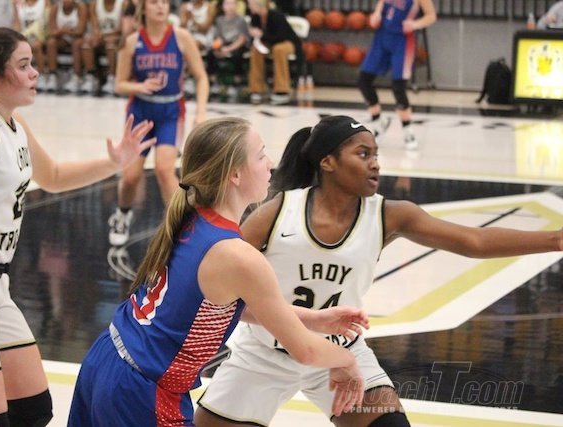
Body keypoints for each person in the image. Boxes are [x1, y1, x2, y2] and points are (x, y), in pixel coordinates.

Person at [194, 115, 563, 427]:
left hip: (340, 353)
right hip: (264, 355)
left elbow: (473, 241)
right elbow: (221, 280)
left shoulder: (389, 215)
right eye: (363, 154)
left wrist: (554, 240)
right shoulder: (278, 212)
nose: (375, 164)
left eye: (375, 155)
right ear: (328, 162)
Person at [68, 116, 371, 426]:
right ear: (234, 174)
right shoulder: (237, 256)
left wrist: (314, 318)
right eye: (261, 155)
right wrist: (347, 360)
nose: (270, 164)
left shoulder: (192, 216)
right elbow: (305, 350)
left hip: (107, 359)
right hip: (141, 390)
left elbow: (218, 307)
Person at [0, 27, 157, 426]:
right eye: (24, 65)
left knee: (33, 410)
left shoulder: (12, 122)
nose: (35, 73)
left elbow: (54, 176)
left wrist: (115, 162)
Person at [107, 0, 209, 246]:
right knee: (130, 177)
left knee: (165, 170)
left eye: (164, 2)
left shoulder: (181, 37)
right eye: (154, 2)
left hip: (171, 111)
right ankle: (122, 213)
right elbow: (119, 84)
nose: (161, 6)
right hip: (141, 111)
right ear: (144, 8)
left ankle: (179, 226)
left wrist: (201, 112)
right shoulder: (132, 41)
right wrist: (139, 86)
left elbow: (201, 77)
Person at [358, 0, 436, 150]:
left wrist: (415, 24)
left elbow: (431, 15)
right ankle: (379, 122)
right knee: (363, 81)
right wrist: (376, 15)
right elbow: (381, 4)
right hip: (382, 36)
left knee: (398, 87)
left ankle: (408, 130)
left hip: (402, 40)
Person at [246, 0, 302, 106]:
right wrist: (255, 36)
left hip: (287, 42)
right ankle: (257, 89)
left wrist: (262, 35)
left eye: (250, 4)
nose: (249, 7)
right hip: (269, 42)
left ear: (258, 5)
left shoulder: (276, 16)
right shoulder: (255, 17)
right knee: (256, 49)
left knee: (278, 50)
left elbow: (280, 36)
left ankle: (282, 89)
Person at [206, 0, 248, 97]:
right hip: (224, 43)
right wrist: (219, 48)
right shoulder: (219, 20)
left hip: (237, 44)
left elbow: (242, 39)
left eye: (232, 4)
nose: (230, 7)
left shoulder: (241, 20)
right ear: (223, 6)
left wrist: (228, 49)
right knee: (211, 52)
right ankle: (214, 82)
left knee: (238, 54)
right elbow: (218, 38)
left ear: (236, 6)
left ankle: (236, 82)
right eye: (227, 4)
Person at [81, 0, 125, 95]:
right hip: (101, 36)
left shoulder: (122, 3)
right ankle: (91, 77)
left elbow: (121, 29)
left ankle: (112, 78)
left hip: (117, 37)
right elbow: (95, 26)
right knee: (87, 42)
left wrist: (104, 35)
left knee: (110, 43)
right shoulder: (95, 4)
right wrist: (97, 34)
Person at [44, 0, 88, 92]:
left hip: (78, 38)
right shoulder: (55, 8)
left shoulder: (81, 7)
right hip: (62, 38)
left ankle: (77, 76)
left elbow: (81, 31)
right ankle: (53, 75)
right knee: (51, 42)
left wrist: (64, 31)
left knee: (76, 44)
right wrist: (63, 31)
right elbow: (51, 31)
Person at [13, 0, 51, 91]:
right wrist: (16, 37)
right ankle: (19, 78)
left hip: (41, 35)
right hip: (24, 35)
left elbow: (47, 22)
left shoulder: (44, 2)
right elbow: (17, 24)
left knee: (36, 46)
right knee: (14, 46)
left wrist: (42, 36)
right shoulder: (18, 4)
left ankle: (41, 76)